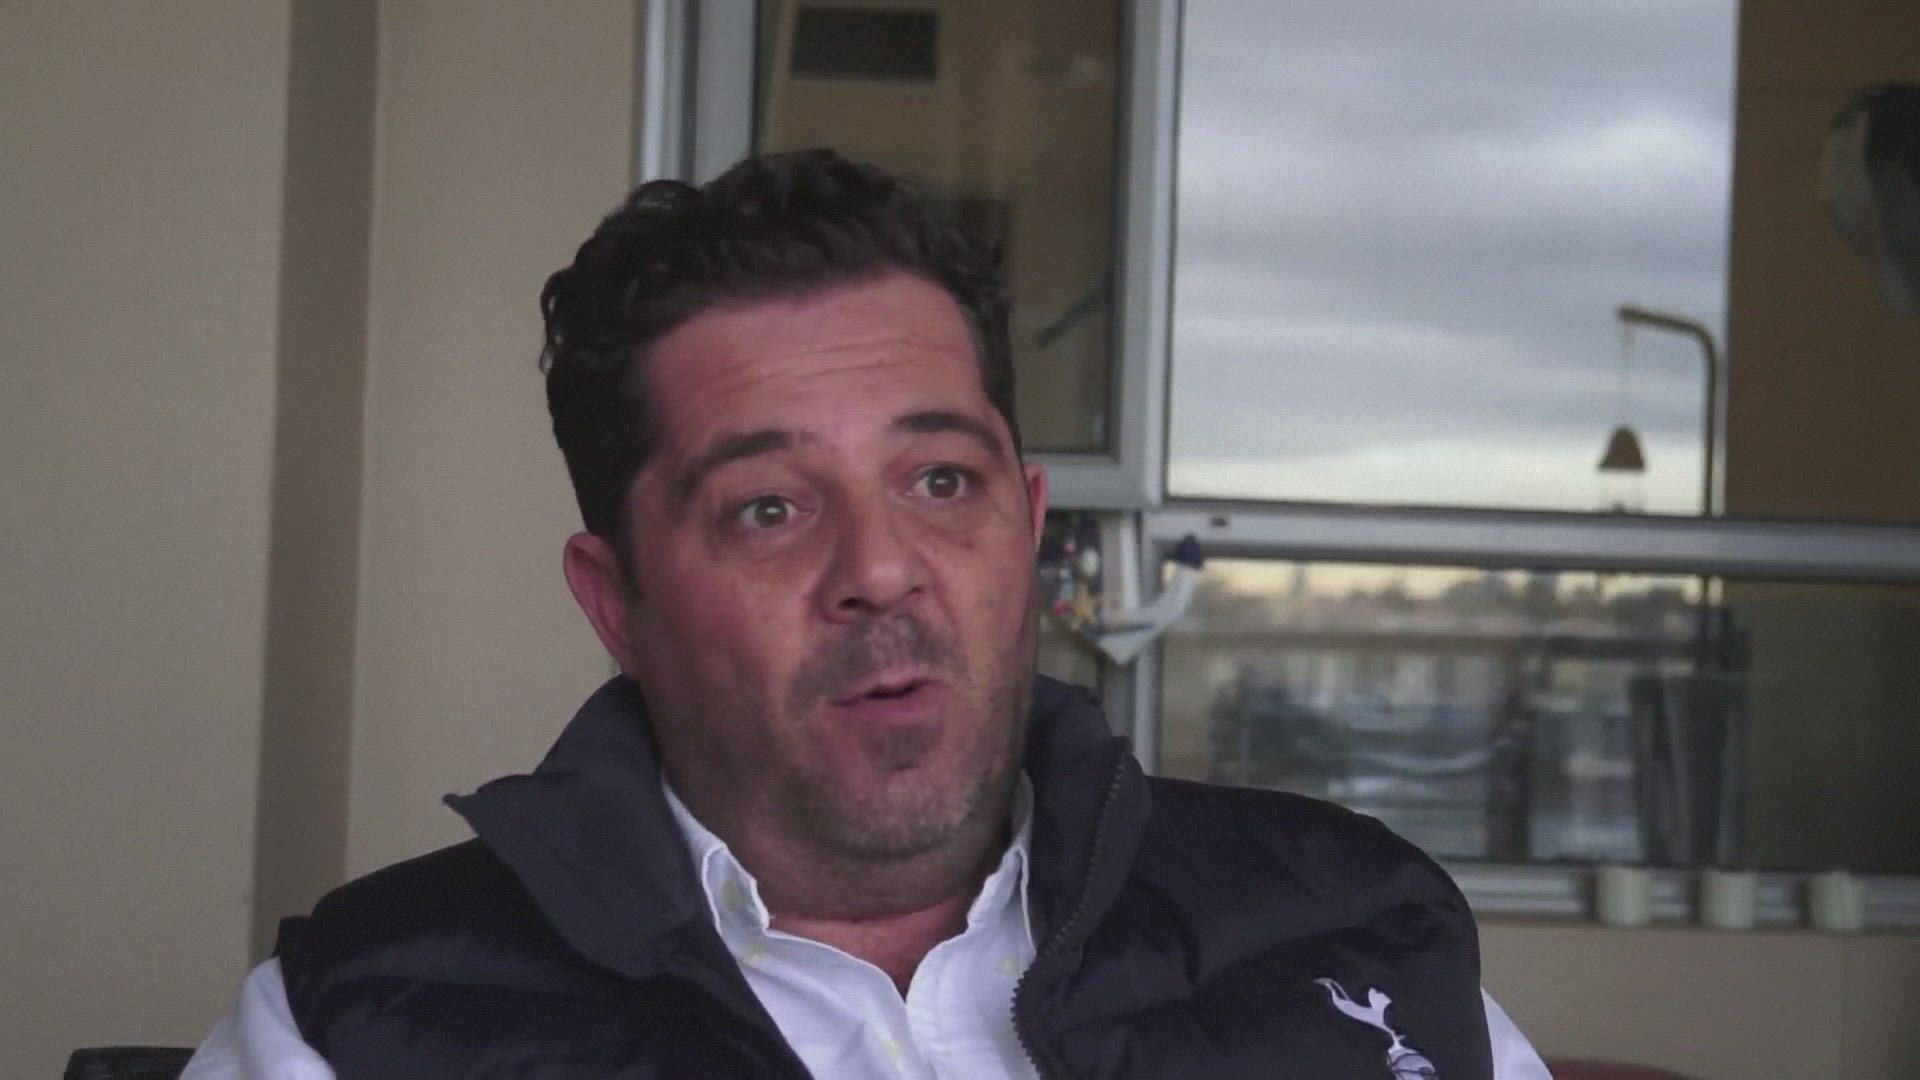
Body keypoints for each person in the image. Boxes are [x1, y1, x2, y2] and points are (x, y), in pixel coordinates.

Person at [183, 149, 1549, 1079]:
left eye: (940, 480)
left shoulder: (1354, 932)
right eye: (769, 507)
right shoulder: (350, 1028)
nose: (882, 568)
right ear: (618, 602)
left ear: (1026, 527)